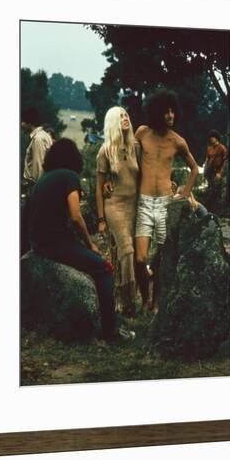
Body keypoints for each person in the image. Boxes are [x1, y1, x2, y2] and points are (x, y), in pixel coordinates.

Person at [29, 138, 134, 342]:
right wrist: (90, 244)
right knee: (104, 270)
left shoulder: (45, 178)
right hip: (55, 243)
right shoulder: (69, 177)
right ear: (73, 158)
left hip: (38, 243)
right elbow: (76, 216)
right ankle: (111, 332)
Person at [135, 89, 199, 313]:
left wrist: (183, 194)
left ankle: (155, 302)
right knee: (141, 259)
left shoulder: (178, 141)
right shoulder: (142, 133)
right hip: (143, 203)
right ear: (156, 113)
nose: (171, 115)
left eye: (173, 111)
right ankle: (144, 297)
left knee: (161, 260)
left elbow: (194, 169)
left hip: (164, 204)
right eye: (166, 112)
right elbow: (128, 160)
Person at [96, 106, 141, 317]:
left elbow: (144, 174)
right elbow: (99, 187)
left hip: (133, 207)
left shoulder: (135, 147)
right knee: (127, 251)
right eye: (120, 116)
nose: (125, 118)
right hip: (113, 206)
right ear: (113, 122)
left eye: (126, 114)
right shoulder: (105, 151)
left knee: (125, 256)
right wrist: (101, 218)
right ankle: (128, 304)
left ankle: (121, 301)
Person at [21, 107, 53, 187]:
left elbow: (39, 165)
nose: (21, 124)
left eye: (23, 122)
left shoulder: (38, 139)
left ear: (30, 123)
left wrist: (36, 186)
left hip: (35, 184)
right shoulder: (44, 135)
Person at [203, 130, 227, 213]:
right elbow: (207, 160)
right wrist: (204, 171)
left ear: (216, 138)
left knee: (216, 191)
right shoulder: (209, 148)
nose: (211, 139)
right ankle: (208, 210)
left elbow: (225, 161)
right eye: (210, 138)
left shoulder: (222, 148)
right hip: (209, 172)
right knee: (210, 190)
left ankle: (215, 210)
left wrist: (220, 173)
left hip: (217, 172)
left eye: (212, 137)